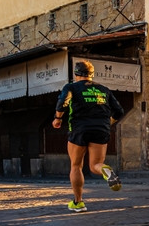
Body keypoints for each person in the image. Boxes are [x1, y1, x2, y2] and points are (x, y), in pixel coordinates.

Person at [52, 60, 125, 212]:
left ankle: (78, 203)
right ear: (92, 74)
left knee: (76, 165)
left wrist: (58, 118)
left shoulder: (71, 87)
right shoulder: (103, 89)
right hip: (101, 128)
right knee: (95, 165)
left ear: (76, 74)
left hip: (79, 129)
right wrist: (107, 123)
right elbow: (119, 111)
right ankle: (106, 170)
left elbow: (62, 102)